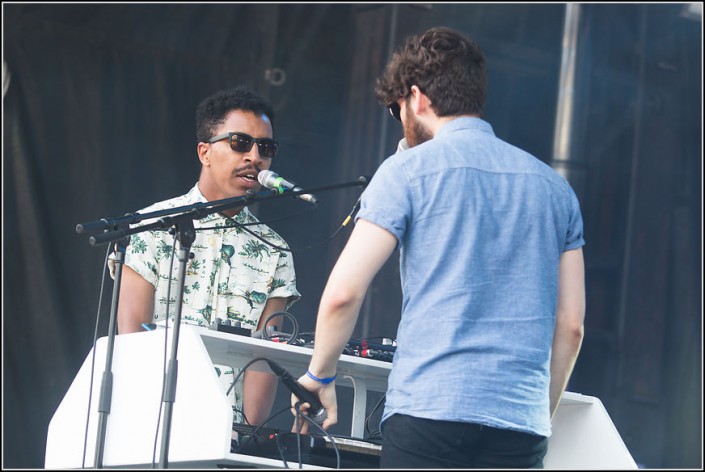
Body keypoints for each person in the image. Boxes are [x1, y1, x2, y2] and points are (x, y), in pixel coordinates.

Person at [293, 27, 586, 469]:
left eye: (397, 110)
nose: (400, 120)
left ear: (418, 98)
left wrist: (320, 373)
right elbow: (571, 326)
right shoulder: (556, 190)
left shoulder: (406, 171)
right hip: (520, 424)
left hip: (429, 409)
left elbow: (343, 293)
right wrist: (534, 415)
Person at [109, 86, 301, 428]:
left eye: (265, 148)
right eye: (240, 142)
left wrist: (245, 444)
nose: (255, 157)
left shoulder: (276, 251)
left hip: (226, 438)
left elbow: (265, 361)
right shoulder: (148, 228)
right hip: (151, 426)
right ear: (205, 152)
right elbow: (132, 342)